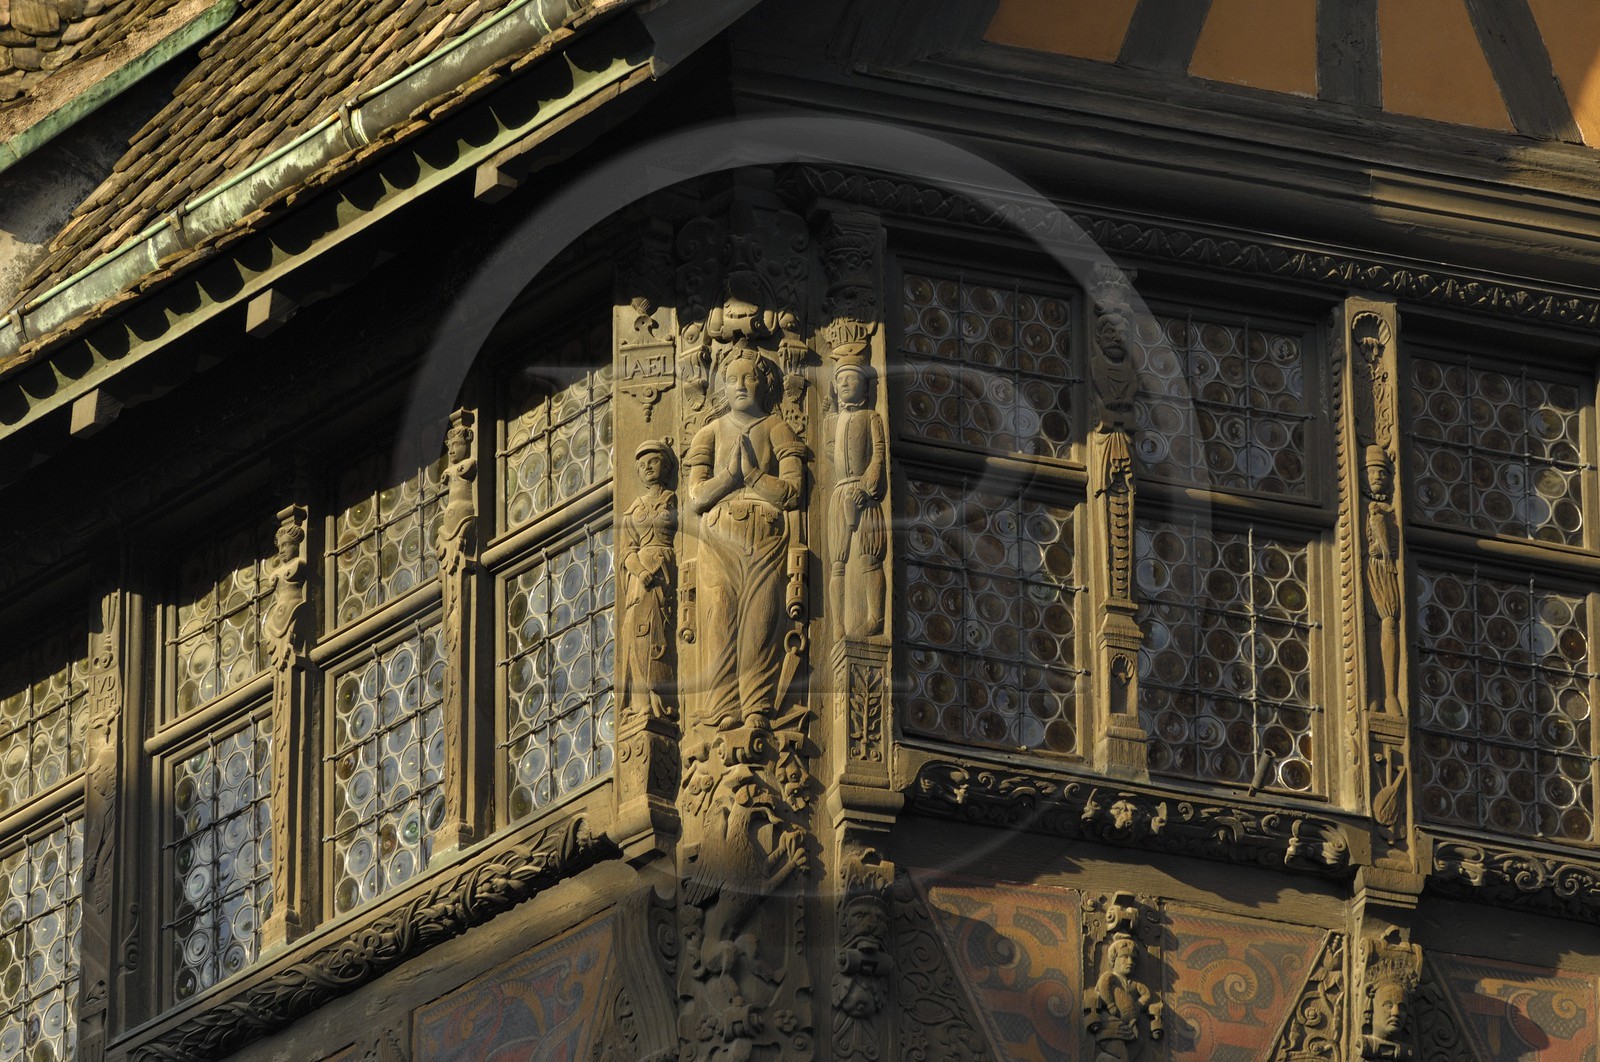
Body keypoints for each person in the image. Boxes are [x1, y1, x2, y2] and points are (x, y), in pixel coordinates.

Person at [685, 354, 805, 731]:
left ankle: (756, 706)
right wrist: (728, 477)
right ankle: (723, 707)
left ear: (764, 385)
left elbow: (792, 492)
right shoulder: (710, 432)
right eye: (731, 378)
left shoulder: (777, 428)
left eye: (748, 378)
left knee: (761, 618)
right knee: (719, 614)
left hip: (765, 533)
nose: (739, 385)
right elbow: (696, 497)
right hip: (719, 533)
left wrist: (752, 475)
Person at [620, 439, 677, 720]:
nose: (647, 468)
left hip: (667, 569)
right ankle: (642, 704)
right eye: (641, 465)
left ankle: (662, 703)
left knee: (662, 631)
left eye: (653, 462)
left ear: (665, 466)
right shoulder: (634, 509)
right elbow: (626, 552)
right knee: (638, 634)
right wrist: (641, 571)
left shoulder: (673, 500)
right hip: (641, 578)